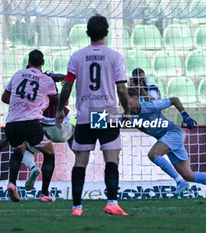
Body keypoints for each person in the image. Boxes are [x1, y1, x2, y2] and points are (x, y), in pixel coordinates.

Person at [55, 14, 130, 216]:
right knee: (111, 158)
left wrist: (60, 109)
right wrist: (128, 112)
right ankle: (112, 203)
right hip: (105, 113)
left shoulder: (77, 56)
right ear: (107, 32)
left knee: (80, 160)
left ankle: (77, 208)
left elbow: (68, 86)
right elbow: (122, 90)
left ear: (87, 33)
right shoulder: (115, 56)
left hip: (86, 113)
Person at [125, 87, 206, 198]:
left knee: (153, 154)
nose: (123, 103)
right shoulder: (127, 117)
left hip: (173, 133)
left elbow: (174, 99)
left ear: (136, 99)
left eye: (126, 100)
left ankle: (180, 182)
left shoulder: (150, 106)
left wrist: (185, 116)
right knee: (188, 175)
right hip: (166, 139)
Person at [0, 70, 74, 192]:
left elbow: (9, 103)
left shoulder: (28, 93)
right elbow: (65, 101)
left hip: (38, 125)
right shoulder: (48, 86)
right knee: (67, 138)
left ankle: (31, 168)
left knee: (21, 149)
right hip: (58, 128)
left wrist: (5, 139)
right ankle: (79, 162)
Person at [2, 49, 58, 202]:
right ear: (43, 63)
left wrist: (20, 102)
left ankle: (12, 183)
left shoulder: (17, 74)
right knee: (50, 153)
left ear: (28, 62)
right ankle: (44, 193)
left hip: (12, 122)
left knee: (18, 152)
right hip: (31, 123)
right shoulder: (46, 79)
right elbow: (58, 99)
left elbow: (5, 98)